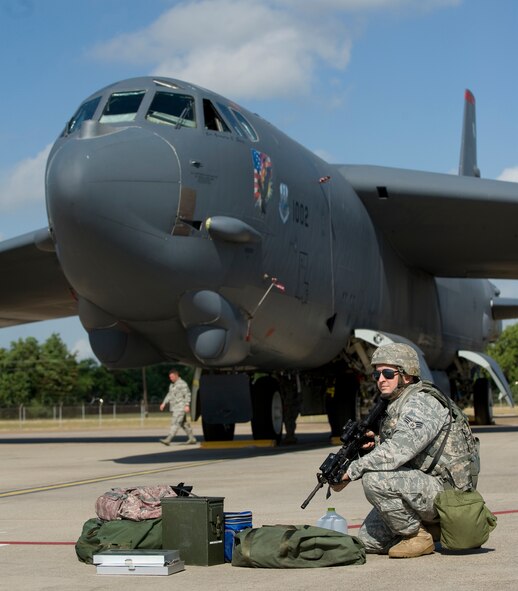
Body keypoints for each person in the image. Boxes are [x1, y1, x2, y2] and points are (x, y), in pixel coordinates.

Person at [331, 343, 478, 559]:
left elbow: (398, 452)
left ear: (406, 376)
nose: (381, 379)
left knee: (373, 479)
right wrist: (376, 443)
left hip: (448, 494)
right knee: (368, 540)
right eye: (377, 374)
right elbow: (411, 451)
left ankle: (418, 536)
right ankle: (429, 527)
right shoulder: (400, 401)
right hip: (424, 485)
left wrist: (351, 470)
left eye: (388, 373)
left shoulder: (421, 402)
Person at [159, 368, 196, 445]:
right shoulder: (172, 385)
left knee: (175, 422)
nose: (170, 378)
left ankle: (168, 439)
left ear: (176, 375)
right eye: (170, 377)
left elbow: (187, 394)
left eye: (172, 377)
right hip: (175, 407)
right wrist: (164, 403)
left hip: (181, 407)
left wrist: (187, 405)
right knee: (184, 424)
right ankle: (192, 438)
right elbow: (169, 395)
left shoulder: (182, 384)